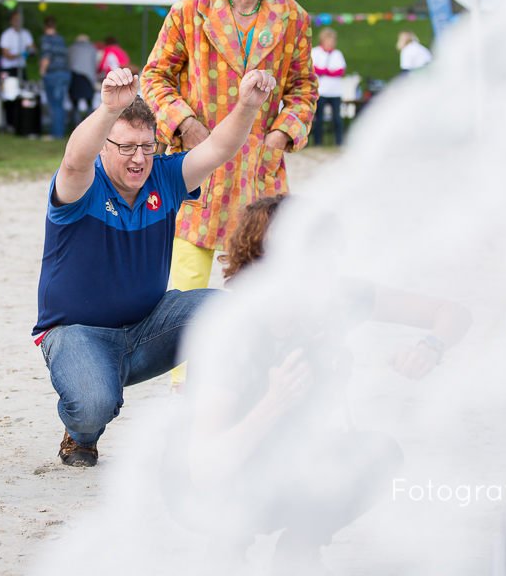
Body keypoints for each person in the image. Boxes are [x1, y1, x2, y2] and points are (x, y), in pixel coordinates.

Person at [164, 197, 472, 574]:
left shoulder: (335, 299)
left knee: (378, 453)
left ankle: (298, 549)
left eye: (329, 255)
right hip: (207, 487)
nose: (330, 269)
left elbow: (452, 312)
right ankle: (228, 542)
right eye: (315, 258)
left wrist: (430, 347)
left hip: (285, 462)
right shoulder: (233, 334)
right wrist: (274, 402)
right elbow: (203, 470)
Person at [36, 66, 278, 467]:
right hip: (78, 333)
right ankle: (81, 434)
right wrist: (108, 109)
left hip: (149, 327)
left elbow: (219, 149)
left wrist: (248, 105)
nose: (139, 158)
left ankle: (206, 422)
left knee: (231, 312)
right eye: (127, 147)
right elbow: (74, 162)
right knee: (93, 404)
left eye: (147, 147)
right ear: (104, 147)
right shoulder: (82, 186)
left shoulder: (164, 177)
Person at [140, 0, 318, 391]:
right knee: (186, 294)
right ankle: (184, 392)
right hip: (196, 175)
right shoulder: (190, 11)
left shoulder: (292, 16)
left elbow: (304, 87)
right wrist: (186, 125)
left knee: (262, 289)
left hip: (260, 176)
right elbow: (153, 77)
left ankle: (253, 385)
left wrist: (280, 135)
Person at [310, 27, 345, 146]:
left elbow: (340, 70)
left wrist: (325, 71)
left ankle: (339, 142)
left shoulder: (337, 54)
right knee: (319, 118)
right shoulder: (315, 52)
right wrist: (329, 71)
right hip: (321, 90)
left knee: (337, 118)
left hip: (335, 91)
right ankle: (317, 142)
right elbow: (313, 69)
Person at [38, 16, 71, 140]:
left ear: (44, 26)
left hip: (53, 74)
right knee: (60, 104)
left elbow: (46, 56)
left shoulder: (46, 38)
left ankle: (56, 133)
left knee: (54, 104)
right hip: (65, 73)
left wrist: (42, 71)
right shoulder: (60, 38)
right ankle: (60, 131)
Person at [67, 33, 98, 125]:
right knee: (89, 104)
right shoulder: (92, 49)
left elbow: (68, 62)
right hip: (88, 78)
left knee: (75, 105)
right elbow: (95, 64)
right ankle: (91, 126)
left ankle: (77, 126)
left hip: (75, 77)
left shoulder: (72, 48)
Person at [0, 9, 33, 79]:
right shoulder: (6, 35)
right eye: (16, 19)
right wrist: (20, 55)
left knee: (24, 84)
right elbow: (6, 54)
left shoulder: (26, 33)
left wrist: (31, 51)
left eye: (20, 19)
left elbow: (32, 47)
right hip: (8, 67)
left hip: (21, 67)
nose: (18, 22)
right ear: (11, 21)